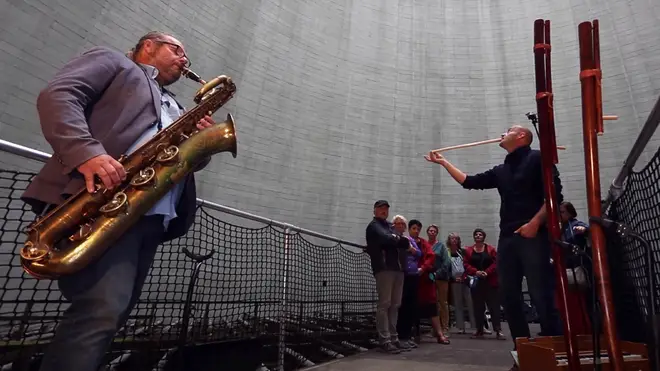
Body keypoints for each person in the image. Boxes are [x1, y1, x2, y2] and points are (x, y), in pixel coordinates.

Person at [21, 31, 216, 371]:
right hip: (106, 204)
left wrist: (201, 141)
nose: (184, 60)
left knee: (112, 314)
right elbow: (59, 95)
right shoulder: (114, 62)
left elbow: (188, 160)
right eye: (177, 50)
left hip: (151, 219)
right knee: (101, 310)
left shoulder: (176, 105)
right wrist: (87, 153)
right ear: (148, 46)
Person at [425, 125, 563, 368]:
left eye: (508, 130)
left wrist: (534, 223)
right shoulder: (502, 170)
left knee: (541, 294)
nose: (502, 134)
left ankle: (556, 355)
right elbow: (469, 182)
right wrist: (444, 163)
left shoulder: (538, 158)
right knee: (509, 297)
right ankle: (523, 354)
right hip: (508, 237)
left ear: (522, 136)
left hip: (533, 234)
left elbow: (555, 196)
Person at [365, 200, 409, 354]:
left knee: (395, 304)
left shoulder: (389, 225)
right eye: (381, 209)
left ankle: (394, 338)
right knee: (385, 304)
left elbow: (403, 240)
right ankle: (385, 340)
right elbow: (388, 239)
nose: (384, 211)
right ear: (375, 210)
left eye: (386, 209)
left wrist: (397, 239)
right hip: (384, 268)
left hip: (397, 269)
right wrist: (397, 239)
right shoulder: (374, 226)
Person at [463, 228, 504, 340]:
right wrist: (476, 272)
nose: (478, 236)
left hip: (490, 282)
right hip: (476, 282)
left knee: (494, 307)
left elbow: (496, 263)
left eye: (480, 234)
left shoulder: (490, 249)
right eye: (476, 234)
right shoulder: (469, 250)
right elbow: (466, 264)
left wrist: (487, 272)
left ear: (484, 237)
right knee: (478, 307)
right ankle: (479, 330)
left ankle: (498, 330)